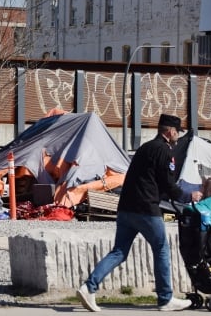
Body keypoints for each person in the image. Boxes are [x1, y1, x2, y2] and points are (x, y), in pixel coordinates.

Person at [77, 113, 202, 312]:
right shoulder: (164, 151)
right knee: (161, 248)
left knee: (119, 251)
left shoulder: (145, 148)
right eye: (177, 132)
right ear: (170, 132)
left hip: (126, 208)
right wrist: (189, 197)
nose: (178, 137)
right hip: (146, 209)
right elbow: (169, 186)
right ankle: (165, 298)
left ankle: (88, 287)